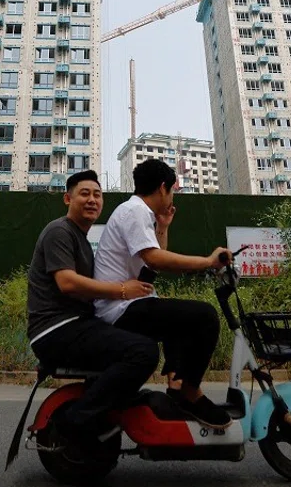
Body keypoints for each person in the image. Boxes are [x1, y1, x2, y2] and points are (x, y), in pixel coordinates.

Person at [26, 169, 158, 460]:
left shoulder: (82, 240)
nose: (92, 200)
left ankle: (114, 403)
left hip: (75, 325)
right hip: (57, 328)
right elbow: (68, 283)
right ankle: (72, 422)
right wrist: (122, 290)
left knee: (139, 339)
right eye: (84, 193)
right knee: (142, 352)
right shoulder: (59, 230)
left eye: (97, 195)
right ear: (67, 198)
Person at [94, 159, 233, 429]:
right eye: (172, 191)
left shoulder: (139, 213)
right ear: (162, 188)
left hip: (129, 303)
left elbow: (150, 267)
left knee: (175, 314)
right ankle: (189, 393)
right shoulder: (134, 211)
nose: (171, 198)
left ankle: (177, 385)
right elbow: (155, 259)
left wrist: (164, 226)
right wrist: (208, 261)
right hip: (119, 308)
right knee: (205, 317)